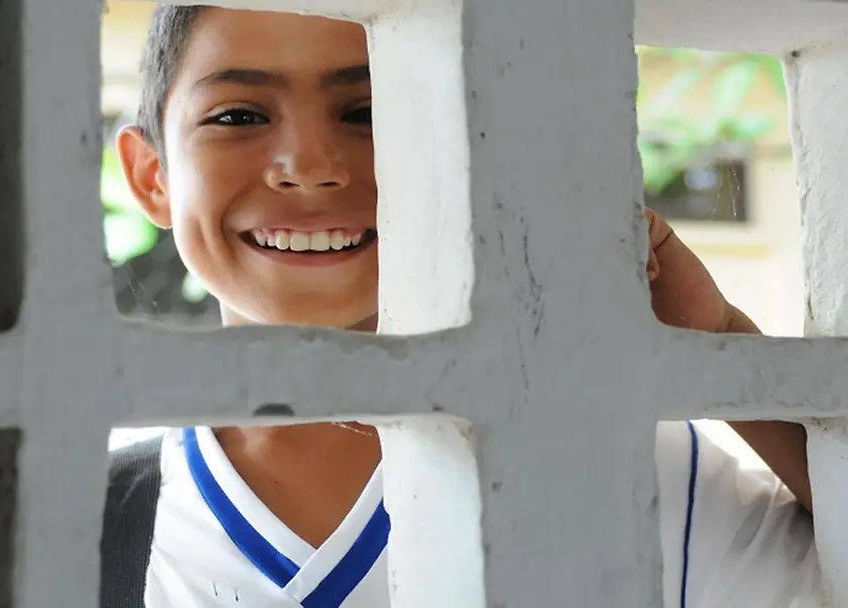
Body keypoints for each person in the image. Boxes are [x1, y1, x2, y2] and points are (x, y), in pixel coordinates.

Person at [101, 6, 819, 607]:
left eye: (370, 111)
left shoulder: (630, 477)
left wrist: (724, 348)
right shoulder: (83, 521)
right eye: (238, 114)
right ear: (152, 176)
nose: (313, 165)